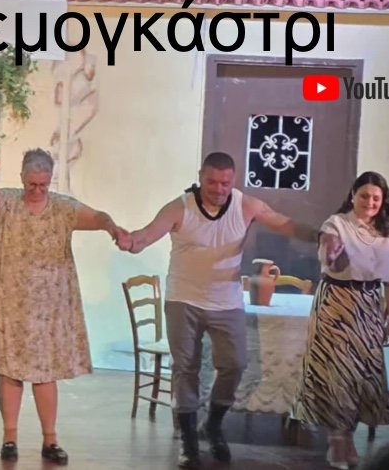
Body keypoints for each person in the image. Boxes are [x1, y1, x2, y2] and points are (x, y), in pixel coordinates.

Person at [121, 151, 319, 469]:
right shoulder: (180, 207)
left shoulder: (245, 205)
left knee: (235, 364)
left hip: (226, 301)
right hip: (183, 298)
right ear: (200, 177)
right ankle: (188, 441)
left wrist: (322, 237)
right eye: (211, 182)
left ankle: (212, 423)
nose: (218, 189)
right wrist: (132, 242)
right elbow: (147, 234)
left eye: (225, 183)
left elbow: (285, 224)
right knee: (185, 368)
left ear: (233, 180)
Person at [0, 148, 127, 465]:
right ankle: (9, 438)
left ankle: (50, 439)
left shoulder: (61, 207)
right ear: (22, 178)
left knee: (45, 372)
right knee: (10, 368)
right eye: (31, 184)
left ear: (50, 181)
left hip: (49, 306)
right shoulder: (7, 201)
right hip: (10, 301)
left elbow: (97, 217)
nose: (37, 190)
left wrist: (112, 227)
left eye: (43, 185)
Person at [293, 171, 389, 469]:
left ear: (383, 200)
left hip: (369, 305)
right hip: (337, 303)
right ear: (353, 195)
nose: (370, 202)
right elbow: (326, 254)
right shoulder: (337, 224)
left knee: (361, 375)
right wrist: (330, 254)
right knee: (337, 374)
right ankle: (337, 441)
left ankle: (347, 437)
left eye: (376, 198)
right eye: (364, 195)